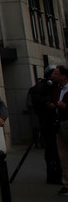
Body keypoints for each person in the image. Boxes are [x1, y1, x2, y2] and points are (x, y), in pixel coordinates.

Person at [27, 64, 62, 184]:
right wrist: (50, 103)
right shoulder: (41, 87)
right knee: (51, 150)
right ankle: (53, 174)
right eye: (53, 74)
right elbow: (35, 101)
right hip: (47, 122)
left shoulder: (58, 87)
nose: (54, 76)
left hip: (57, 121)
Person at [49, 64, 68, 195]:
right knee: (63, 155)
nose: (53, 76)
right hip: (60, 124)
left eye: (56, 74)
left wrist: (65, 106)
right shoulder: (57, 89)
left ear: (63, 76)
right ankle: (66, 184)